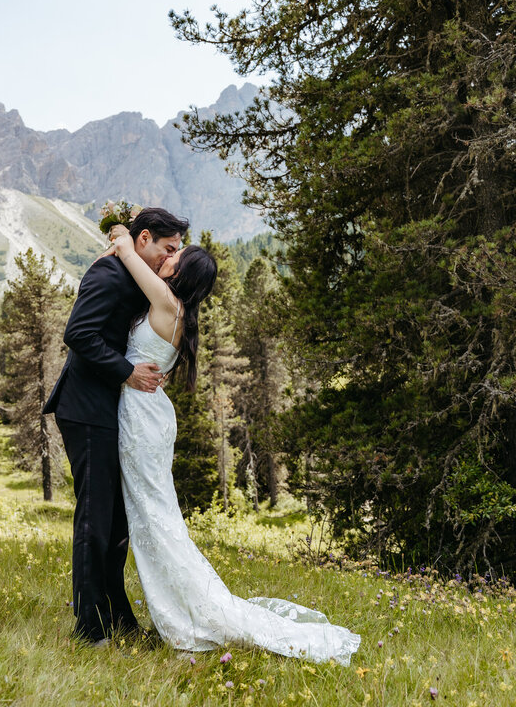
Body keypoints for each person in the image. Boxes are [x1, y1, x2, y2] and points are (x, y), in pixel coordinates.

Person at [106, 224, 362, 665]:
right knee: (155, 518)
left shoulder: (167, 301)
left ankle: (190, 618)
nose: (172, 253)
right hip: (147, 415)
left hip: (142, 420)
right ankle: (181, 608)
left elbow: (129, 255)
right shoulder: (176, 309)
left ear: (181, 274)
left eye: (177, 254)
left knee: (155, 520)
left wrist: (123, 229)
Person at [43, 207, 191, 646]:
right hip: (87, 407)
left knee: (116, 523)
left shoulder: (135, 273)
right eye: (168, 248)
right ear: (144, 239)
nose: (171, 258)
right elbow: (79, 334)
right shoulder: (108, 273)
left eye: (177, 252)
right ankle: (90, 628)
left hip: (113, 412)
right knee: (95, 519)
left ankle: (117, 616)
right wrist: (127, 371)